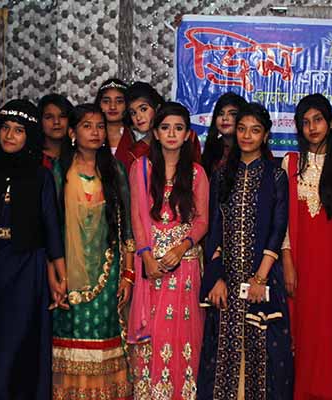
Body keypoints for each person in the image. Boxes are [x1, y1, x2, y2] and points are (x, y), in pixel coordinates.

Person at [0, 99, 65, 399]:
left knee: (19, 341)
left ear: (29, 136)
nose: (9, 135)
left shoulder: (41, 176)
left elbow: (51, 229)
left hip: (27, 269)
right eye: (5, 128)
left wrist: (60, 277)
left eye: (19, 130)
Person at [198, 103, 293, 400]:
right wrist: (216, 278)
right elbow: (214, 231)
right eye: (242, 129)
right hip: (226, 279)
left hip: (262, 277)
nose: (247, 136)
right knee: (222, 354)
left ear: (265, 135)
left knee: (264, 353)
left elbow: (278, 229)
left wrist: (260, 279)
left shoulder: (275, 176)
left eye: (255, 130)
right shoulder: (221, 175)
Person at [51, 103, 135, 399]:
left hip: (107, 271)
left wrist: (127, 274)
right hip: (67, 273)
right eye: (87, 126)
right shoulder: (60, 171)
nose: (96, 132)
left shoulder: (115, 170)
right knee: (70, 332)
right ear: (72, 132)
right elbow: (50, 228)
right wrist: (54, 275)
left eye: (100, 126)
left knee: (103, 333)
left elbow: (127, 228)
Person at [127, 102, 209, 399]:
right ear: (156, 133)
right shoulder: (141, 168)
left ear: (187, 135)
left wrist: (182, 247)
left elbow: (202, 221)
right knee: (155, 333)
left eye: (178, 128)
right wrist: (147, 257)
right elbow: (137, 218)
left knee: (183, 335)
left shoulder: (197, 173)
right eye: (165, 128)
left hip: (184, 266)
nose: (172, 134)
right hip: (151, 265)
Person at [281, 94, 332, 399]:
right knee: (300, 330)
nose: (312, 127)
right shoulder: (291, 163)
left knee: (327, 331)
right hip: (299, 259)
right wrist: (287, 262)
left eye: (318, 120)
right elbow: (284, 221)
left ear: (331, 123)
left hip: (331, 263)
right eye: (305, 122)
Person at [115, 82, 202, 171]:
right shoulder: (135, 152)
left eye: (143, 109)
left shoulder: (187, 137)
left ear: (157, 108)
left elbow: (198, 173)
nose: (138, 117)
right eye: (133, 113)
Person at [201, 92, 247, 175]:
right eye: (220, 114)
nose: (225, 118)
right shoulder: (212, 148)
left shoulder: (249, 149)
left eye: (233, 114)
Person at [94, 78, 133, 156]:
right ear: (99, 104)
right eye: (106, 101)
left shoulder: (136, 136)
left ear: (127, 105)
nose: (112, 107)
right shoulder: (92, 135)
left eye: (119, 101)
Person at [38, 93, 73, 169]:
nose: (56, 122)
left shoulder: (79, 157)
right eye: (49, 117)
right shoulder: (32, 158)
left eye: (62, 116)